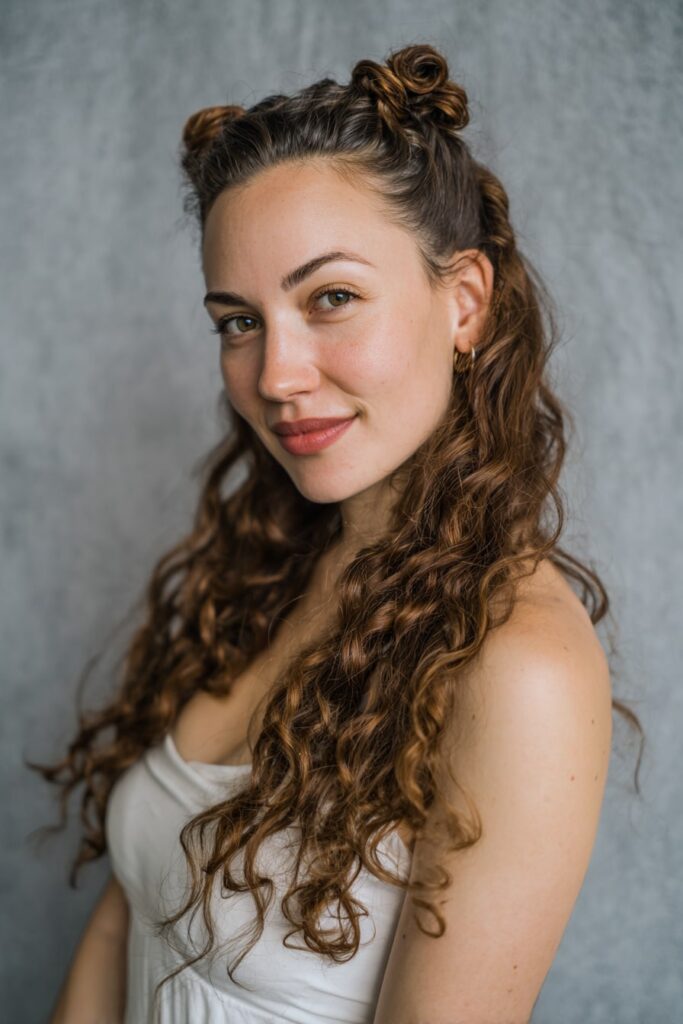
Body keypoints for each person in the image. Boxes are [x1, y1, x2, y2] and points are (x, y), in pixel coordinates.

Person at [36, 41, 643, 1024]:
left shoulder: (516, 667)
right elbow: (127, 917)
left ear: (463, 302)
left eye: (330, 298)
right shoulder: (266, 567)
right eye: (237, 320)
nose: (273, 375)